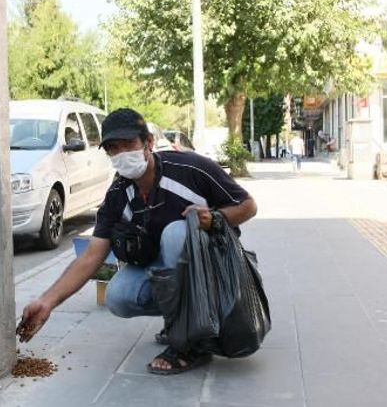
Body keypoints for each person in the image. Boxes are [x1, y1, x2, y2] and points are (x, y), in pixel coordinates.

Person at [18, 108, 257, 375]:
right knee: (118, 296)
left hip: (215, 267)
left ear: (148, 143)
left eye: (129, 144)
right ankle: (181, 319)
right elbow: (91, 256)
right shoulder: (118, 194)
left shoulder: (191, 168)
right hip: (171, 270)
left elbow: (248, 206)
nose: (122, 154)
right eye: (113, 149)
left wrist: (214, 218)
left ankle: (190, 342)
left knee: (176, 233)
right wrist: (47, 301)